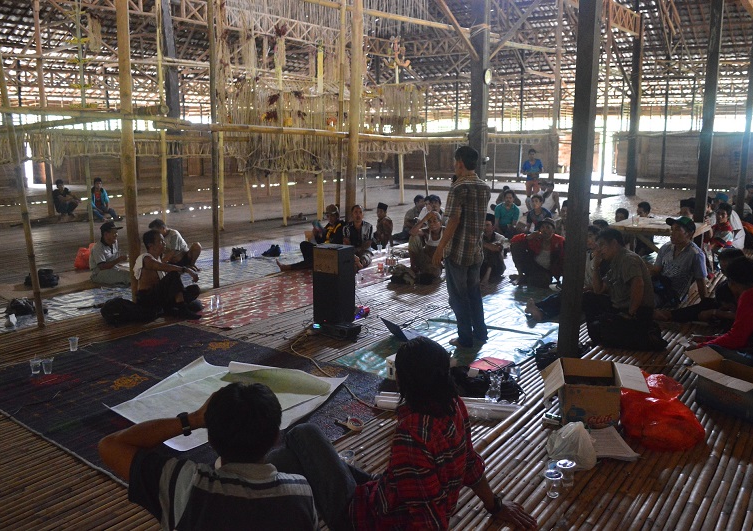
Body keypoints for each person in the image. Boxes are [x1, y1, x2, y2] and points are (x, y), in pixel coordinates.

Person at [266, 337, 538, 530]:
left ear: (403, 381)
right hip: (387, 495)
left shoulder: (413, 433)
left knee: (303, 433)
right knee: (296, 457)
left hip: (364, 520)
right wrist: (495, 505)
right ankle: (254, 479)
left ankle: (246, 480)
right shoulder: (454, 405)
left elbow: (425, 517)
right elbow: (468, 461)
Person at [98, 382, 318, 530]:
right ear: (276, 438)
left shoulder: (185, 485)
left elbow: (111, 444)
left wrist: (193, 419)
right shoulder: (301, 493)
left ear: (211, 441)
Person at [432, 145, 491, 348]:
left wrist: (440, 248)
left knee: (458, 297)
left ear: (460, 163)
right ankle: (481, 333)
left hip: (457, 251)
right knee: (474, 293)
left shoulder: (458, 187)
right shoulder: (484, 187)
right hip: (475, 251)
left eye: (455, 162)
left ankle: (465, 338)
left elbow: (454, 220)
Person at [654, 248, 753, 324]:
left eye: (726, 269)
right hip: (738, 308)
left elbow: (749, 317)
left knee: (717, 316)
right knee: (707, 303)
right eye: (722, 270)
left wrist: (717, 313)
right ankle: (672, 315)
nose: (724, 273)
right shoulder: (737, 278)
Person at [526, 225, 600, 321]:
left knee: (567, 299)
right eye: (585, 237)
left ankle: (543, 314)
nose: (587, 240)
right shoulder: (587, 254)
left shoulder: (601, 258)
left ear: (598, 238)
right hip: (584, 288)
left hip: (592, 292)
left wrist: (583, 289)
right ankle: (537, 306)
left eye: (590, 236)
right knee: (561, 294)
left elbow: (599, 286)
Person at [582, 228, 656, 324]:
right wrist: (596, 268)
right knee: (588, 298)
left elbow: (638, 285)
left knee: (600, 323)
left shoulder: (628, 259)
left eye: (602, 245)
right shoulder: (614, 261)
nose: (599, 250)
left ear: (614, 243)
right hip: (619, 307)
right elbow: (598, 290)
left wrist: (630, 314)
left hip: (637, 312)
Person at [134, 229, 201, 319]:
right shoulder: (146, 259)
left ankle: (173, 308)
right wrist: (187, 270)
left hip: (160, 297)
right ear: (151, 245)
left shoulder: (159, 258)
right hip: (148, 298)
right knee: (173, 274)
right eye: (161, 241)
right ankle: (182, 309)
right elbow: (164, 267)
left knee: (194, 291)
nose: (164, 243)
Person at [278, 204, 344, 271]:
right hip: (323, 249)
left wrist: (323, 244)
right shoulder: (328, 226)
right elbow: (321, 241)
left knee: (315, 258)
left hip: (332, 252)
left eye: (332, 216)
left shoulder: (340, 226)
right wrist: (316, 234)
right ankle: (309, 264)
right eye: (328, 216)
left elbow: (336, 242)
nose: (330, 218)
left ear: (337, 216)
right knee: (304, 245)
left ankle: (289, 267)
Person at [509, 218, 564, 288]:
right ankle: (520, 275)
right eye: (542, 227)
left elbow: (563, 258)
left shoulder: (559, 241)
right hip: (533, 265)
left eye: (548, 228)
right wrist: (528, 236)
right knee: (516, 245)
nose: (544, 230)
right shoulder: (535, 237)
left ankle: (524, 278)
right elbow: (513, 240)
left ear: (553, 230)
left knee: (543, 281)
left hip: (547, 270)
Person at [408, 210, 445, 284]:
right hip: (425, 258)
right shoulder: (427, 231)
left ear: (440, 223)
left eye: (435, 221)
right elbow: (412, 232)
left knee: (434, 272)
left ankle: (423, 272)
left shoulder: (445, 231)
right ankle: (414, 267)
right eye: (429, 222)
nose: (432, 224)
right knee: (413, 238)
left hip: (436, 262)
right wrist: (424, 219)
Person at [89, 221, 130, 286]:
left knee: (131, 273)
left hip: (113, 270)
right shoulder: (98, 248)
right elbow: (102, 267)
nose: (116, 235)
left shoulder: (114, 242)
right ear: (106, 234)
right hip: (99, 273)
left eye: (116, 232)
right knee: (126, 276)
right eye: (114, 233)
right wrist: (119, 259)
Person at [343, 204, 374, 270]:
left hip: (364, 250)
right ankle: (356, 263)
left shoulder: (369, 226)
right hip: (352, 251)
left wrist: (360, 250)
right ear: (352, 214)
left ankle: (359, 264)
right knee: (346, 257)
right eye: (356, 212)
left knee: (366, 257)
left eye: (360, 212)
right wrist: (354, 251)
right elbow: (346, 242)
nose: (358, 215)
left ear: (363, 215)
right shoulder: (346, 228)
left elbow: (369, 242)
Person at [481, 214, 507, 284]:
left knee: (494, 251)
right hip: (482, 265)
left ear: (493, 227)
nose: (484, 228)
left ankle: (487, 277)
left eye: (487, 225)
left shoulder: (500, 238)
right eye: (483, 225)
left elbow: (496, 248)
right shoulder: (480, 237)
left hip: (497, 267)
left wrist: (482, 244)